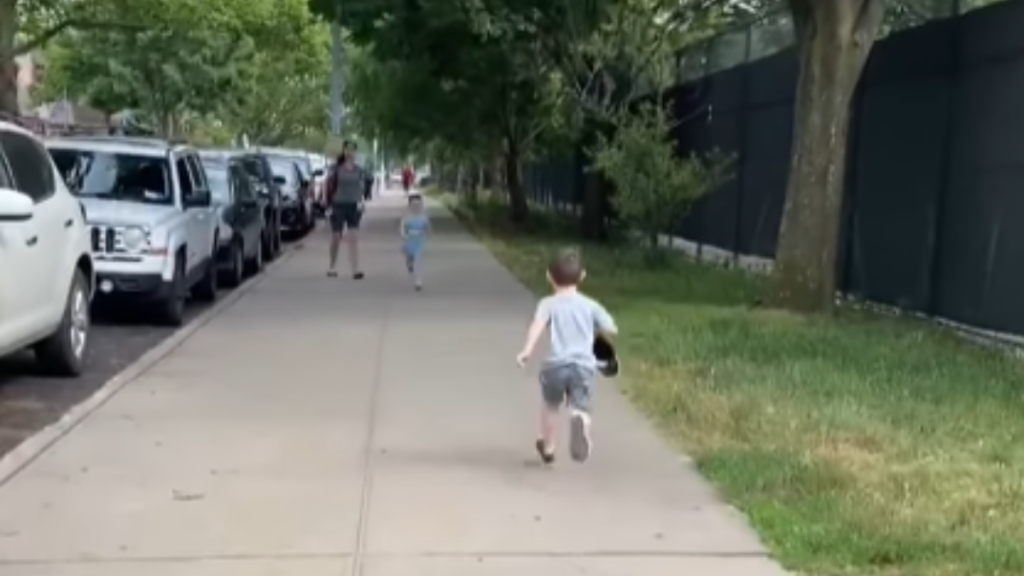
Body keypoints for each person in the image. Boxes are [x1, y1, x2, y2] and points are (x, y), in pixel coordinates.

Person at [516, 249, 617, 464]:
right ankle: (580, 420)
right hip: (582, 366)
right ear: (582, 277)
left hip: (555, 366)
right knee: (581, 404)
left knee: (551, 405)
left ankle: (549, 447)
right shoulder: (591, 305)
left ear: (549, 277)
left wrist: (526, 350)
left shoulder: (547, 304)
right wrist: (599, 339)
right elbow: (611, 328)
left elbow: (537, 326)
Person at [324, 143, 365, 279]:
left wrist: (362, 202)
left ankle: (355, 269)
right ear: (344, 151)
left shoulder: (358, 170)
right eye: (347, 149)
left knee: (353, 238)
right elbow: (327, 184)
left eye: (352, 150)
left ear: (355, 152)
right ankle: (332, 266)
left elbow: (361, 187)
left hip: (354, 205)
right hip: (338, 205)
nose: (349, 152)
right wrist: (326, 201)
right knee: (336, 237)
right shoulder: (336, 168)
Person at [399, 194, 431, 291]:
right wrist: (404, 235)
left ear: (421, 206)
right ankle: (409, 264)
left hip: (419, 240)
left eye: (418, 205)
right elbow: (402, 228)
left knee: (418, 259)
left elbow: (428, 228)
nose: (416, 207)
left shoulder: (424, 217)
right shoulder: (406, 217)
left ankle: (418, 281)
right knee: (410, 257)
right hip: (409, 240)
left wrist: (425, 233)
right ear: (409, 206)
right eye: (414, 205)